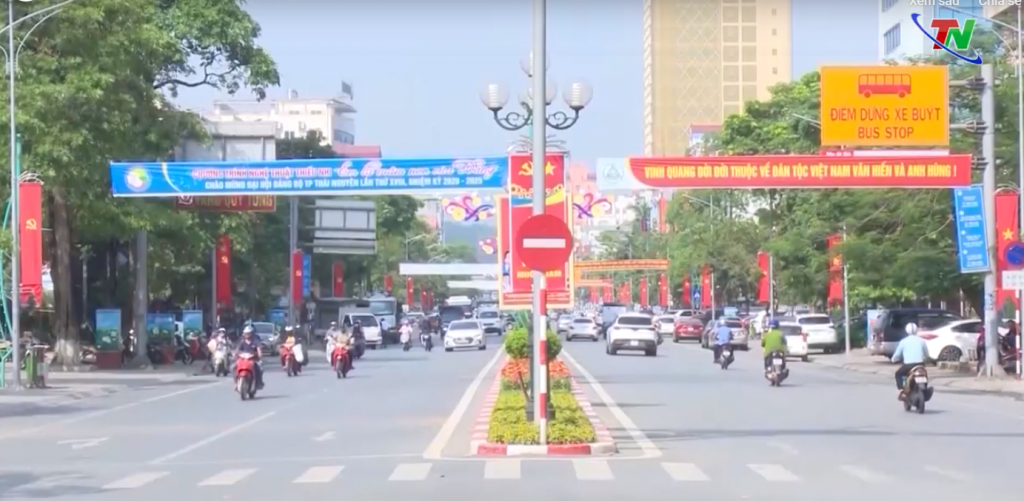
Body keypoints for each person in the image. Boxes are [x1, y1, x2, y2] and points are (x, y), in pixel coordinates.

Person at [891, 322, 928, 399]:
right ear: (916, 330)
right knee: (924, 374)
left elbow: (897, 354)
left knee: (898, 374)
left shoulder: (903, 341)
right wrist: (926, 359)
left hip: (908, 365)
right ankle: (925, 388)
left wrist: (893, 360)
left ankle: (902, 390)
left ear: (906, 330)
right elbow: (926, 353)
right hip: (920, 364)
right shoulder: (922, 341)